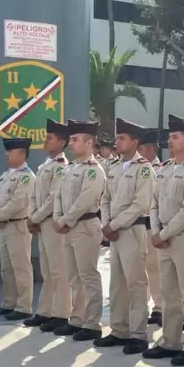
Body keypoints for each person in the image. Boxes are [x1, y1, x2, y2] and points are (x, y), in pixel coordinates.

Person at [145, 114, 184, 364]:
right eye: (170, 137)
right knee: (169, 292)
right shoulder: (165, 169)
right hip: (164, 238)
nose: (170, 141)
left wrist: (164, 233)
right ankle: (170, 341)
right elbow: (154, 203)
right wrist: (156, 231)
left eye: (175, 137)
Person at [97, 119, 154, 355]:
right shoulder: (114, 167)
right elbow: (106, 198)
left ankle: (138, 334)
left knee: (135, 283)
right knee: (116, 283)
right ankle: (119, 329)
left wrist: (114, 224)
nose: (117, 142)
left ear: (135, 142)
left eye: (122, 138)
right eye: (117, 138)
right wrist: (106, 223)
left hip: (132, 229)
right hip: (115, 231)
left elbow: (141, 204)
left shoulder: (143, 169)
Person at [52, 120, 106, 341]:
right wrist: (57, 218)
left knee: (88, 276)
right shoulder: (70, 168)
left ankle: (92, 323)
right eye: (71, 139)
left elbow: (86, 199)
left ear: (89, 142)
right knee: (74, 277)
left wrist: (65, 219)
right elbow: (58, 195)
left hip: (85, 226)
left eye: (75, 140)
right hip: (69, 227)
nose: (71, 144)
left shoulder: (94, 170)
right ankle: (77, 319)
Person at [24, 119, 70, 331]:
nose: (45, 140)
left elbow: (53, 197)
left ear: (61, 142)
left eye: (50, 138)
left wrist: (36, 217)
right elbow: (35, 195)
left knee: (58, 270)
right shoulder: (45, 165)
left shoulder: (61, 167)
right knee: (46, 270)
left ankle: (61, 314)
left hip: (52, 222)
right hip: (42, 222)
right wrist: (32, 216)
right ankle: (45, 311)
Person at [0, 138, 36, 321]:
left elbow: (18, 202)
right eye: (6, 152)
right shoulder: (8, 174)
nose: (7, 154)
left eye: (11, 151)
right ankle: (9, 303)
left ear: (22, 154)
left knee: (21, 267)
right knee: (6, 268)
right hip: (4, 226)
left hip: (18, 225)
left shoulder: (26, 177)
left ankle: (24, 307)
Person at [138, 130, 165, 327]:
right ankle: (149, 304)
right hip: (140, 225)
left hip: (154, 225)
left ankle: (160, 306)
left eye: (141, 149)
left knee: (156, 268)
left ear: (151, 149)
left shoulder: (161, 169)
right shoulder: (140, 168)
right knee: (144, 268)